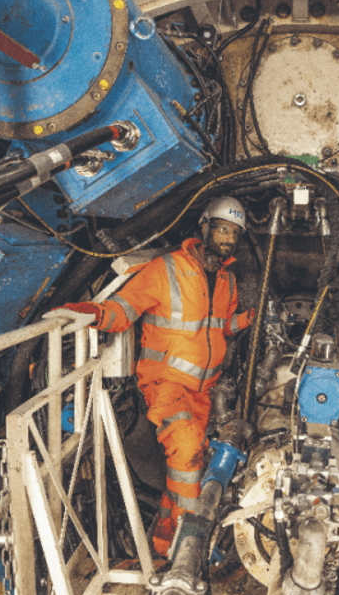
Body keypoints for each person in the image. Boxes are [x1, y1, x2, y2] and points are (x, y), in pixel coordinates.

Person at [49, 196, 253, 556]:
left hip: (204, 391)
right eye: (222, 228)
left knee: (188, 468)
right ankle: (191, 548)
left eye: (235, 233)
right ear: (204, 227)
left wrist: (250, 319)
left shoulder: (228, 282)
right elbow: (122, 312)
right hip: (166, 385)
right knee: (188, 448)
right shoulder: (166, 269)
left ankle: (163, 542)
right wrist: (85, 313)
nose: (228, 238)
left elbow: (220, 327)